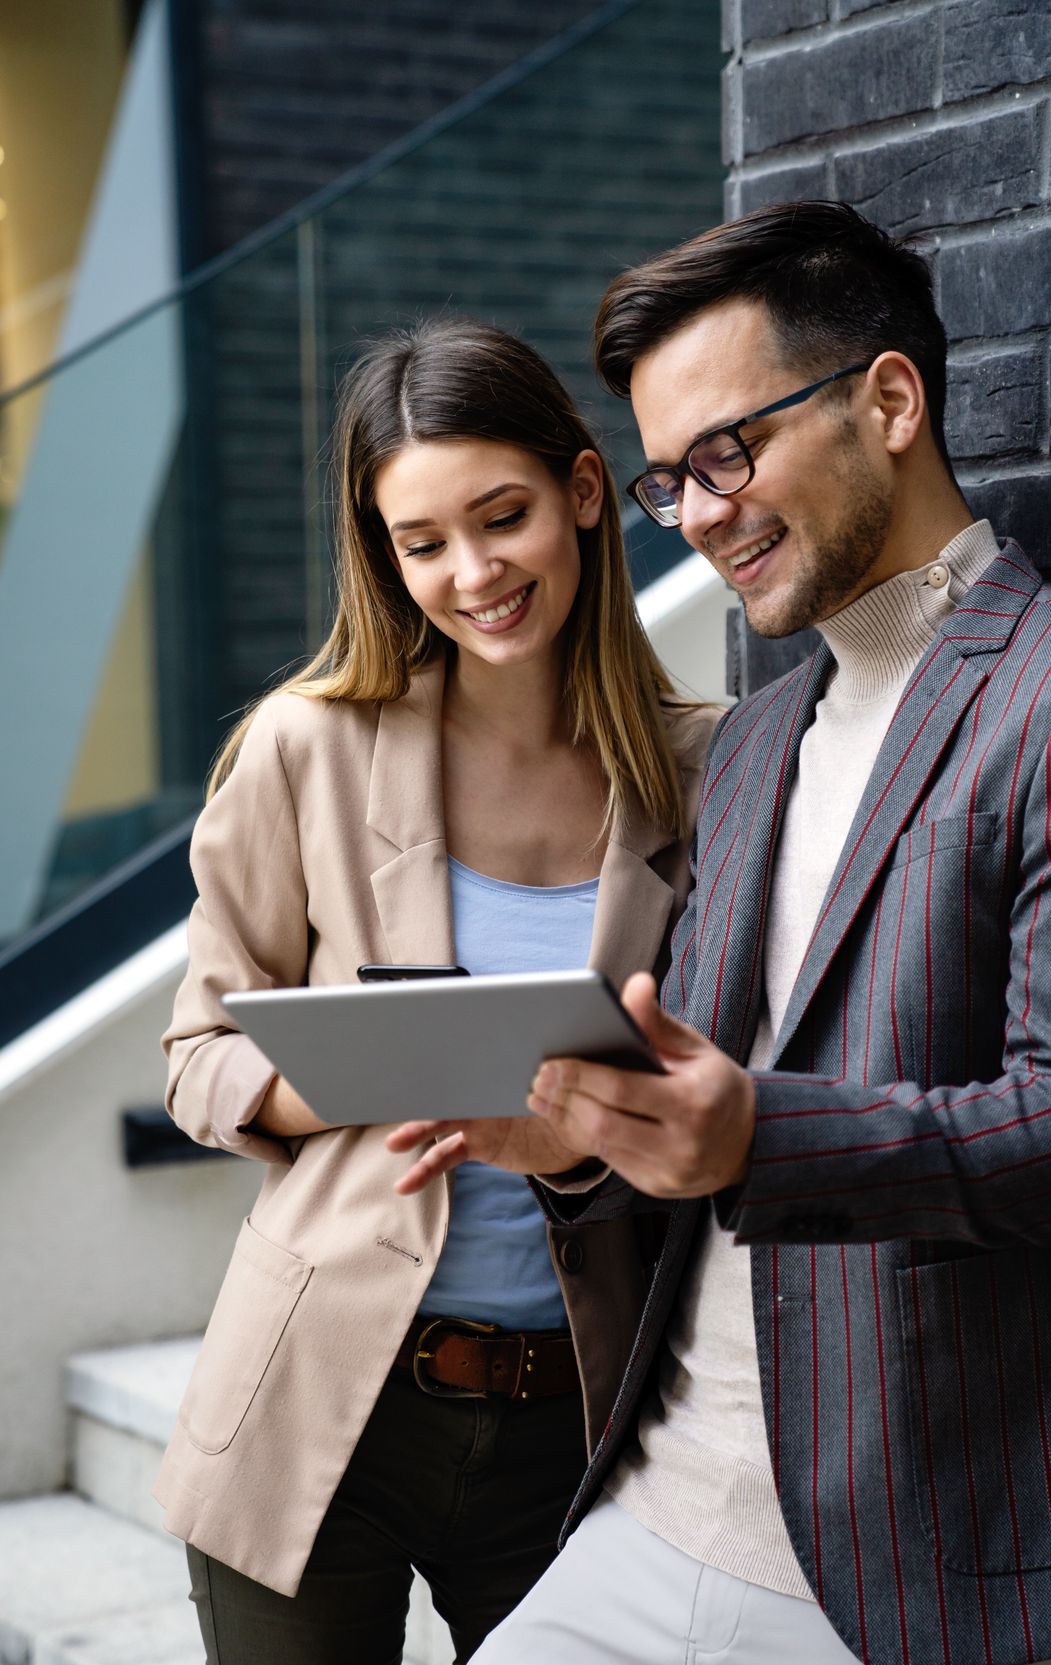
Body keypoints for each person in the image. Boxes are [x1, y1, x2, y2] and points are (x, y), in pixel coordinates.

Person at [390, 204, 1051, 1665]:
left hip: (920, 1573)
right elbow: (695, 1112)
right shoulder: (752, 741)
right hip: (647, 1517)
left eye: (728, 453)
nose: (701, 512)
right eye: (668, 481)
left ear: (889, 401)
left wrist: (754, 1140)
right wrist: (582, 1144)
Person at [155, 318, 716, 1665]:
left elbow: (725, 1104)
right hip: (317, 1399)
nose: (471, 573)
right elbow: (194, 1052)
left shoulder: (714, 770)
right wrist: (366, 1066)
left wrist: (580, 1135)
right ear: (385, 557)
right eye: (422, 543)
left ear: (585, 492)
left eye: (502, 515)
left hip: (582, 1421)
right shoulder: (308, 746)